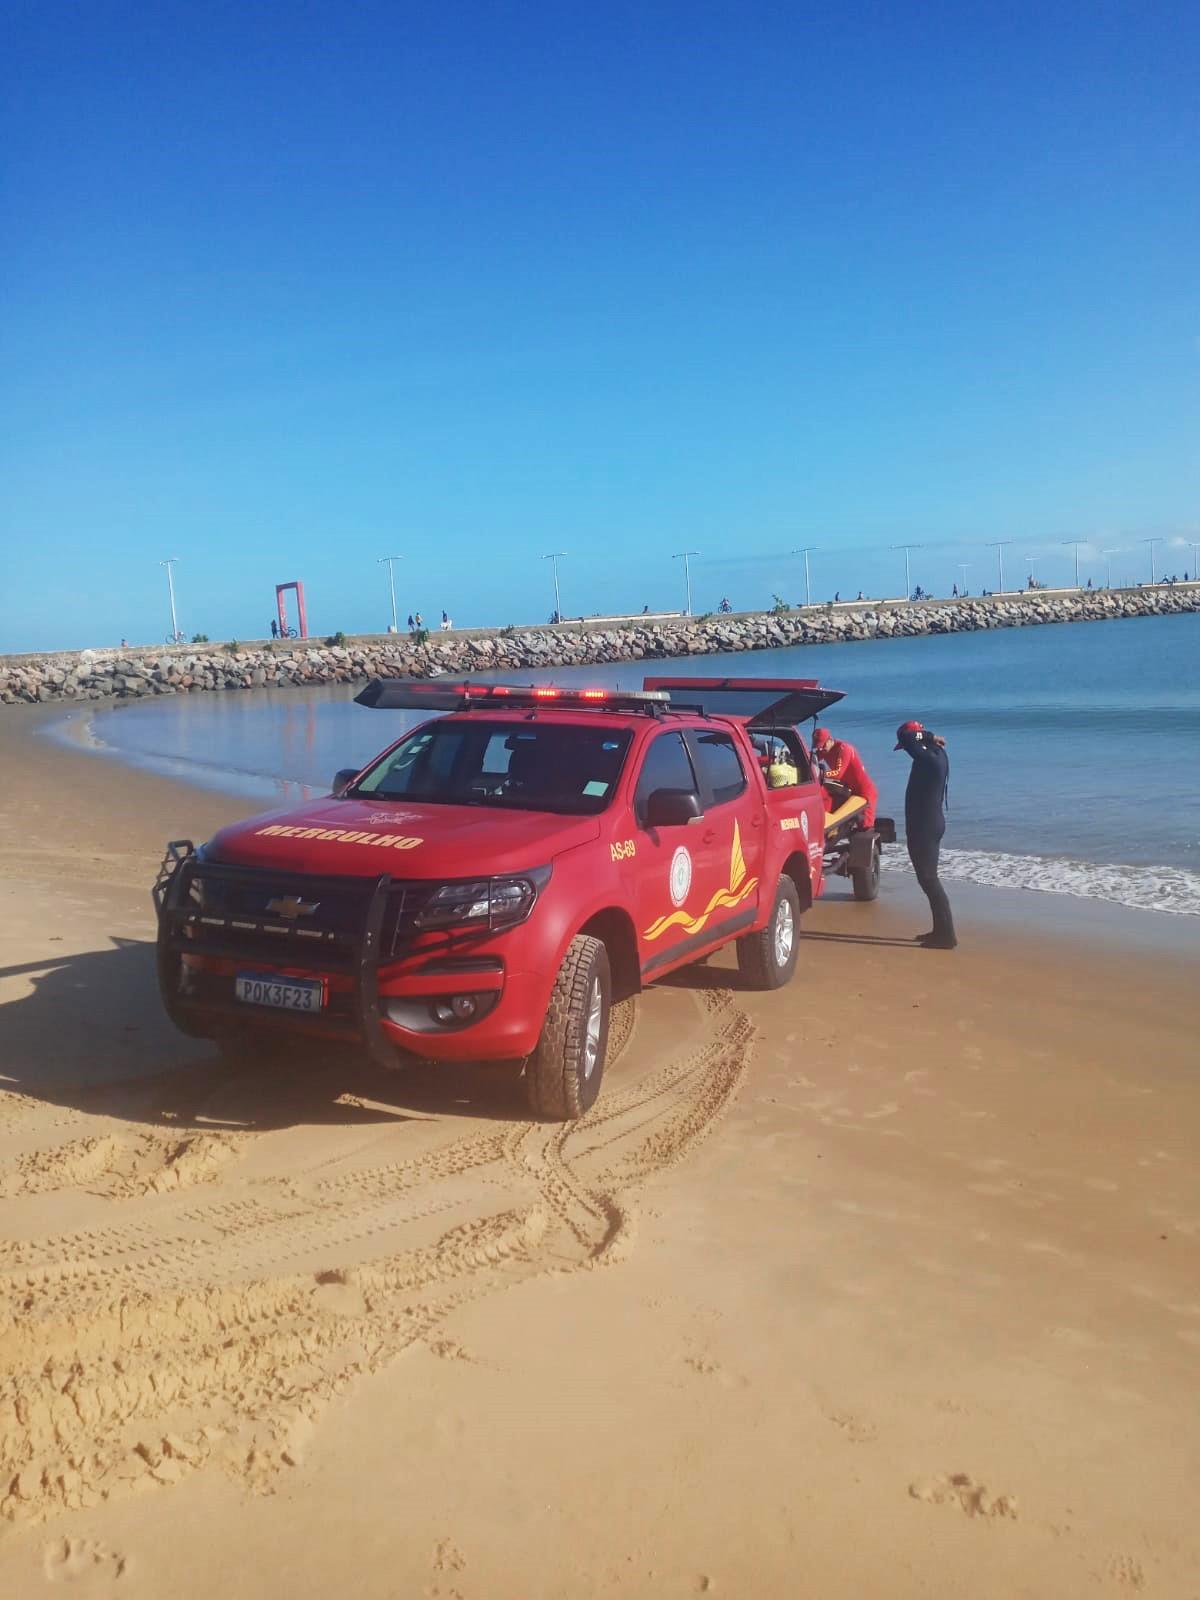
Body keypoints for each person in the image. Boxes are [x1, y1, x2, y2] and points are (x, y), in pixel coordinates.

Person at [894, 720, 955, 949]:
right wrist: (926, 739)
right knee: (927, 879)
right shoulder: (934, 754)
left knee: (929, 880)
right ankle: (939, 931)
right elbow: (912, 740)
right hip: (928, 823)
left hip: (925, 825)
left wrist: (926, 735)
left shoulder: (929, 757)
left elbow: (910, 739)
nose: (906, 749)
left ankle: (947, 937)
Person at [813, 728, 877, 826]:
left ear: (830, 740)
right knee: (844, 823)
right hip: (849, 790)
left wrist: (819, 774)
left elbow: (838, 773)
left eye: (823, 745)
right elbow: (810, 759)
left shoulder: (844, 749)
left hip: (865, 791)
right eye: (818, 747)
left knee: (865, 826)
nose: (821, 749)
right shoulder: (824, 750)